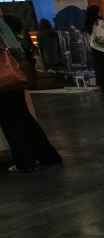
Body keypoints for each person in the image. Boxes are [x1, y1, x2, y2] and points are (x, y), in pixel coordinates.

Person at [0, 16, 62, 174]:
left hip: (4, 77)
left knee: (11, 123)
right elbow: (14, 46)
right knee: (23, 117)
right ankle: (47, 156)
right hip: (12, 74)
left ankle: (25, 162)